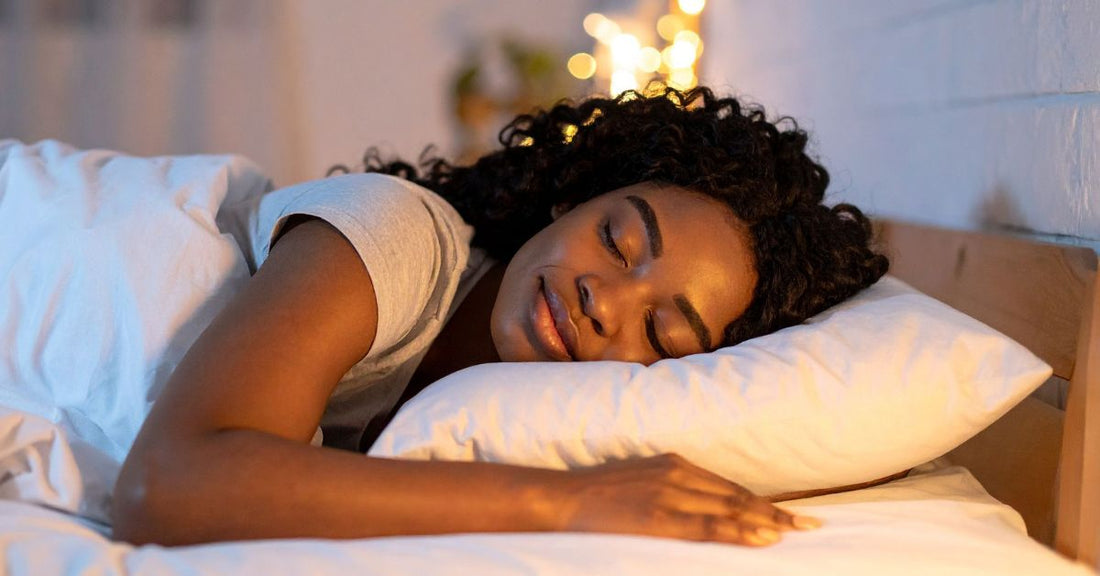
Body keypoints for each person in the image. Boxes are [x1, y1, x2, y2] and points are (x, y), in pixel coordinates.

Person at [111, 86, 888, 547]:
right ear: (569, 198)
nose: (603, 300)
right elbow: (163, 487)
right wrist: (570, 501)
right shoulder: (395, 234)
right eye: (616, 241)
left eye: (660, 333)